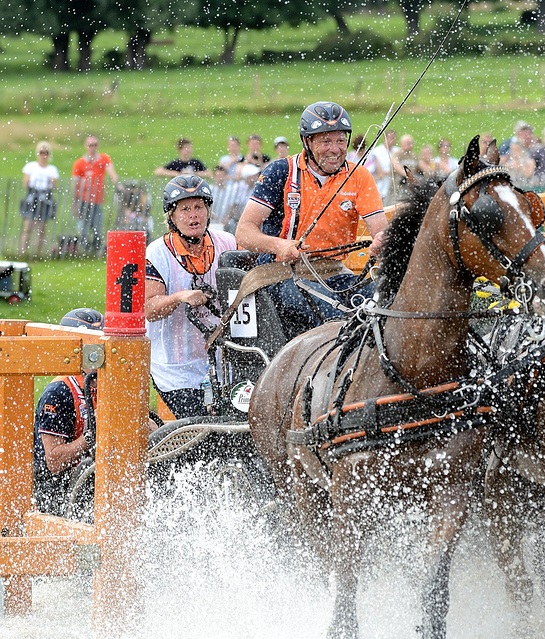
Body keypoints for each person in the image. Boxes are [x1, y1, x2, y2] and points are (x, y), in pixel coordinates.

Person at [235, 101, 389, 337]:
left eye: (340, 141)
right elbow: (244, 232)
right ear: (307, 142)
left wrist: (382, 241)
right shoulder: (280, 172)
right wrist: (280, 245)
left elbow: (381, 230)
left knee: (383, 308)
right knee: (338, 320)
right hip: (283, 274)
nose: (335, 149)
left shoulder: (359, 176)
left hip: (335, 272)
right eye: (326, 141)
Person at [145, 175, 236, 419]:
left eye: (198, 207)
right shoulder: (157, 253)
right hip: (174, 366)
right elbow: (149, 309)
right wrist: (179, 297)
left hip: (222, 358)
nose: (193, 215)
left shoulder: (228, 242)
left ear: (208, 211)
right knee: (198, 430)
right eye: (184, 209)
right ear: (171, 217)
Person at [33, 308, 104, 520]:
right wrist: (92, 435)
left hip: (94, 480)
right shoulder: (59, 393)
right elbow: (54, 462)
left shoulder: (109, 384)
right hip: (58, 491)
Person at [71, 135, 119, 257]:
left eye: (95, 145)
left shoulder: (103, 159)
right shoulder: (80, 163)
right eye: (90, 145)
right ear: (86, 146)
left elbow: (111, 172)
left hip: (97, 201)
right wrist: (75, 203)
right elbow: (75, 184)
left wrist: (117, 183)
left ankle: (96, 251)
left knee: (97, 227)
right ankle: (85, 252)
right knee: (83, 229)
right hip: (83, 201)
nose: (92, 147)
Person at [19, 141, 59, 258]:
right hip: (32, 197)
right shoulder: (31, 166)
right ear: (38, 153)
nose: (43, 155)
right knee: (28, 227)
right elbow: (25, 183)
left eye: (46, 153)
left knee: (41, 229)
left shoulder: (52, 169)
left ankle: (38, 254)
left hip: (45, 198)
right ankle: (23, 253)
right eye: (41, 152)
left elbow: (54, 185)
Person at [367, 128, 398, 200]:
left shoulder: (397, 151)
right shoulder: (377, 151)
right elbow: (378, 171)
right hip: (381, 182)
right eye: (390, 138)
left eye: (393, 138)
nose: (392, 140)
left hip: (393, 182)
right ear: (385, 138)